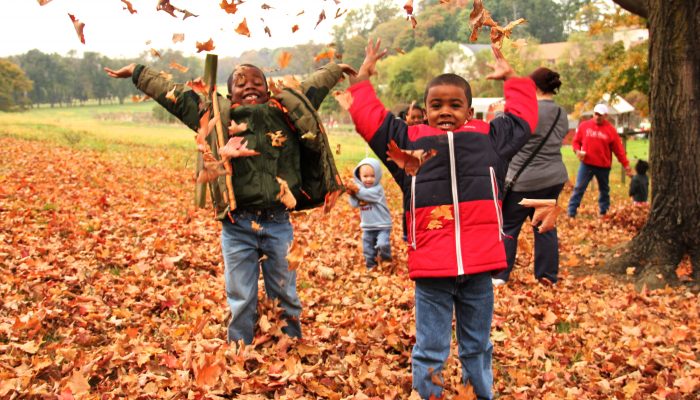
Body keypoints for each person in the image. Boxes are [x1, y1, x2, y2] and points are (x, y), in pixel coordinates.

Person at [105, 61, 355, 344]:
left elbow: (312, 85)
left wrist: (335, 69)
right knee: (241, 296)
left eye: (256, 81)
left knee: (285, 292)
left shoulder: (285, 110)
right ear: (229, 93)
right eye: (240, 83)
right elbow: (173, 95)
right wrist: (138, 72)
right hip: (237, 225)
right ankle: (240, 348)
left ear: (268, 87)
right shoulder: (216, 116)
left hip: (277, 222)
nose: (249, 86)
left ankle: (291, 345)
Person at [346, 39, 537, 400]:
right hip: (433, 269)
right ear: (426, 110)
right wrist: (363, 77)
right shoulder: (407, 145)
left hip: (480, 268)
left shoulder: (489, 140)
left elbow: (524, 118)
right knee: (431, 348)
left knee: (477, 347)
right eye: (436, 105)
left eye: (455, 104)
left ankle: (480, 394)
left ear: (469, 110)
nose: (445, 111)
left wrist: (511, 79)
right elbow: (370, 119)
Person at [492, 67, 569, 286]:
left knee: (508, 226)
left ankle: (499, 276)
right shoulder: (561, 113)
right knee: (544, 228)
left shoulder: (529, 109)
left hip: (523, 180)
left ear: (532, 86)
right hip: (552, 178)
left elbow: (506, 134)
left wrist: (499, 113)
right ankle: (546, 277)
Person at [567, 103, 632, 217]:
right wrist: (577, 151)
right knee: (579, 187)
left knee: (604, 189)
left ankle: (604, 211)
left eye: (600, 115)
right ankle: (571, 212)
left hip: (603, 165)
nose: (597, 117)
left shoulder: (610, 130)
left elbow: (619, 150)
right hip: (586, 163)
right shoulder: (584, 126)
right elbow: (576, 142)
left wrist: (626, 165)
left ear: (606, 116)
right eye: (596, 114)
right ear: (593, 114)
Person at [347, 158, 393, 269]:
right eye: (365, 176)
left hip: (382, 225)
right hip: (368, 226)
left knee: (382, 244)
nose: (369, 179)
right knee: (367, 248)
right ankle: (371, 266)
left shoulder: (377, 190)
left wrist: (356, 190)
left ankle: (386, 259)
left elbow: (366, 194)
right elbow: (354, 204)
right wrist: (351, 193)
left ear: (377, 176)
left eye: (372, 176)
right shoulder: (360, 190)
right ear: (359, 177)